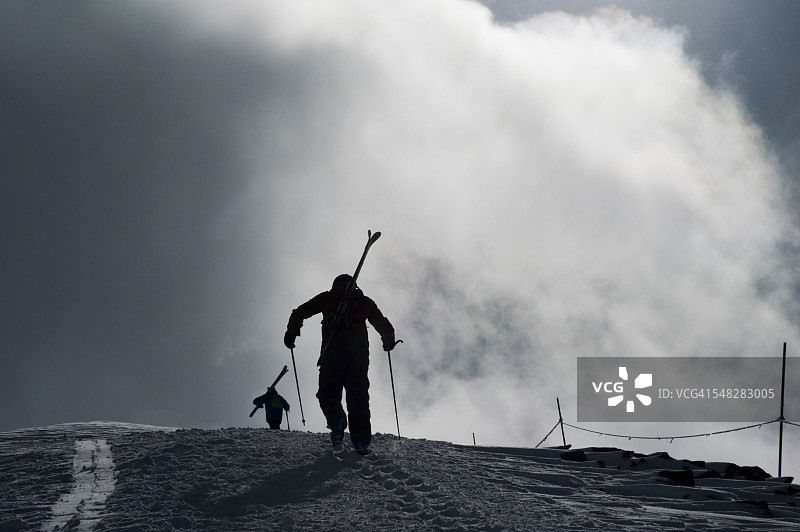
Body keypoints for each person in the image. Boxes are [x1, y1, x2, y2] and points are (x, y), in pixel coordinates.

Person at [284, 273, 395, 455]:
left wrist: (291, 333)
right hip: (358, 354)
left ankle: (337, 417)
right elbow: (381, 322)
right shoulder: (363, 301)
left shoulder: (328, 298)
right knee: (358, 396)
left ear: (335, 285)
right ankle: (361, 441)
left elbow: (300, 312)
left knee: (328, 392)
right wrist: (388, 341)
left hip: (332, 352)